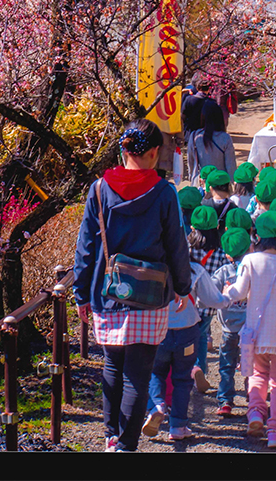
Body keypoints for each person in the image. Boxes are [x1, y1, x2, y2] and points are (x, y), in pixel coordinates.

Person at [73, 118, 192, 453]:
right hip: (151, 295)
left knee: (112, 366)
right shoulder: (164, 193)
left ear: (123, 149)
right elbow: (176, 245)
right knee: (138, 375)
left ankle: (111, 436)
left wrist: (81, 293)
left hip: (108, 293)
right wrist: (183, 287)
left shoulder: (99, 189)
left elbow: (86, 247)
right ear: (154, 153)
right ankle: (126, 446)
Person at [224, 210, 276, 448]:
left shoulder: (250, 261)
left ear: (258, 236)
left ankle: (255, 414)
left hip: (255, 335)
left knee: (257, 376)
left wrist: (223, 295)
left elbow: (239, 292)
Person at [142, 254, 231, 442]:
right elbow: (213, 300)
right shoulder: (194, 269)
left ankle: (157, 406)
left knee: (155, 372)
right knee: (182, 379)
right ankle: (178, 426)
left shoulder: (150, 267)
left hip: (158, 330)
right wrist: (228, 296)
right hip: (187, 331)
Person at [186, 205, 230, 393]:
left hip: (187, 303)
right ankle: (201, 369)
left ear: (193, 228)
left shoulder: (187, 249)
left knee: (188, 339)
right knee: (202, 337)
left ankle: (192, 369)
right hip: (209, 305)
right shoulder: (220, 253)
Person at [211, 226, 252, 417]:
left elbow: (211, 294)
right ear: (250, 249)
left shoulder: (222, 272)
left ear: (227, 255)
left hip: (228, 328)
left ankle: (225, 400)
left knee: (226, 365)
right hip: (250, 328)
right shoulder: (253, 271)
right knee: (249, 365)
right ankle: (254, 399)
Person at [187, 100, 237, 187]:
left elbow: (190, 161)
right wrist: (233, 183)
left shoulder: (194, 136)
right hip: (221, 184)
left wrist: (192, 177)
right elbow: (230, 165)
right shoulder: (225, 138)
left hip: (201, 183)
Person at [181, 73, 219, 180]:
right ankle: (206, 179)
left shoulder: (189, 100)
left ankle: (194, 180)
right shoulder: (211, 102)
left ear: (197, 88)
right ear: (209, 89)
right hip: (207, 134)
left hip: (191, 134)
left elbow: (182, 116)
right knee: (206, 158)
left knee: (192, 160)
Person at [202, 169, 239, 236]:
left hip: (209, 243)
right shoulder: (233, 208)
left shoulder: (204, 206)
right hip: (227, 243)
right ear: (229, 187)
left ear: (210, 188)